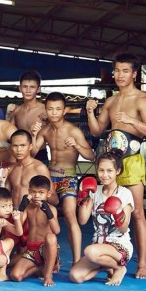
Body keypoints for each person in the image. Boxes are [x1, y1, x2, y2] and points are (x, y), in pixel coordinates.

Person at [86, 53, 146, 279]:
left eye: (125, 71)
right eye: (117, 71)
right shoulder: (111, 101)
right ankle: (111, 258)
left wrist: (132, 122)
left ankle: (143, 264)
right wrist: (90, 111)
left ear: (134, 74)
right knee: (108, 208)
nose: (120, 75)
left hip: (132, 160)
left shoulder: (141, 100)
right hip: (111, 162)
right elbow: (97, 131)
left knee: (137, 213)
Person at [31, 92, 94, 265]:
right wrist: (34, 135)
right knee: (44, 215)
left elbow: (90, 155)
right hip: (51, 178)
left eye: (58, 109)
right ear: (45, 110)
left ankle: (76, 261)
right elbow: (32, 153)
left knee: (69, 215)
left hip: (68, 177)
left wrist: (77, 145)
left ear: (64, 110)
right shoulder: (45, 131)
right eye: (50, 109)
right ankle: (49, 259)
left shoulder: (73, 130)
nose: (54, 112)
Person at [70, 151, 134, 286]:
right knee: (75, 276)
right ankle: (105, 266)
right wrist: (82, 198)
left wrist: (117, 214)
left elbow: (123, 229)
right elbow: (82, 220)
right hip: (98, 246)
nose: (105, 175)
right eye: (101, 170)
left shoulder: (125, 193)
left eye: (109, 170)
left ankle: (119, 267)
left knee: (89, 251)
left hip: (119, 247)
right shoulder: (95, 192)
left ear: (118, 171)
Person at [5, 130, 58, 258]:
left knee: (26, 257)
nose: (18, 150)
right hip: (15, 215)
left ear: (30, 146)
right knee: (9, 258)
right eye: (15, 146)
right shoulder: (11, 169)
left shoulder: (39, 168)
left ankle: (47, 261)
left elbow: (55, 199)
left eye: (22, 145)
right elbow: (4, 196)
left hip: (31, 217)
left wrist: (39, 200)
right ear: (11, 147)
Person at [9, 175, 60, 287]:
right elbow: (19, 226)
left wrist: (48, 212)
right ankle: (40, 269)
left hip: (46, 249)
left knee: (51, 237)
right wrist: (22, 206)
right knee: (15, 276)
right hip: (31, 250)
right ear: (28, 192)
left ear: (48, 194)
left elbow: (56, 231)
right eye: (33, 192)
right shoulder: (28, 208)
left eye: (41, 192)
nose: (37, 196)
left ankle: (48, 275)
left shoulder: (51, 209)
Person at [8, 71, 49, 163]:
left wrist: (50, 120)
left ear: (38, 89)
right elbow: (9, 136)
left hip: (40, 155)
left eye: (32, 87)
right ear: (20, 88)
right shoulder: (16, 112)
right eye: (25, 86)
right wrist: (8, 116)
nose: (28, 90)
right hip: (20, 156)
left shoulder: (45, 110)